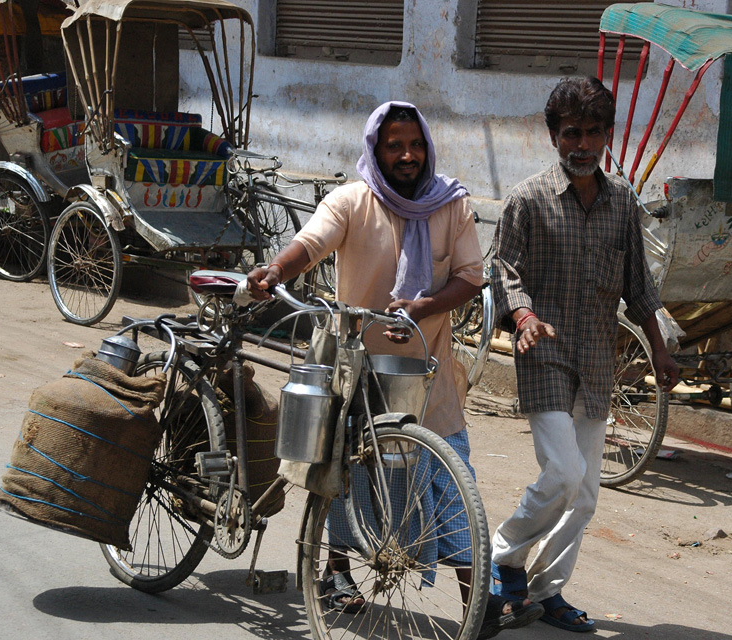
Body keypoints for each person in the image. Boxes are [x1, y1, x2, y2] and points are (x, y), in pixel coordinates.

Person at [246, 101, 542, 639]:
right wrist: (275, 269)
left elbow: (473, 277)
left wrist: (421, 306)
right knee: (344, 472)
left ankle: (477, 602)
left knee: (454, 484)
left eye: (416, 144)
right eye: (394, 145)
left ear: (427, 146)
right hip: (354, 365)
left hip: (428, 373)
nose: (407, 155)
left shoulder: (451, 204)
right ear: (375, 150)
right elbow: (309, 245)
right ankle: (336, 570)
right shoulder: (352, 202)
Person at [489, 77, 680, 633]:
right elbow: (503, 271)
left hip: (599, 357)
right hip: (545, 352)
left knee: (587, 493)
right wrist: (522, 317)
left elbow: (637, 283)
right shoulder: (527, 200)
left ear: (606, 136)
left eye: (594, 132)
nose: (583, 144)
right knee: (565, 471)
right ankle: (503, 554)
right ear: (552, 136)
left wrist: (661, 350)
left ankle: (548, 592)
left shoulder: (622, 201)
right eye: (572, 132)